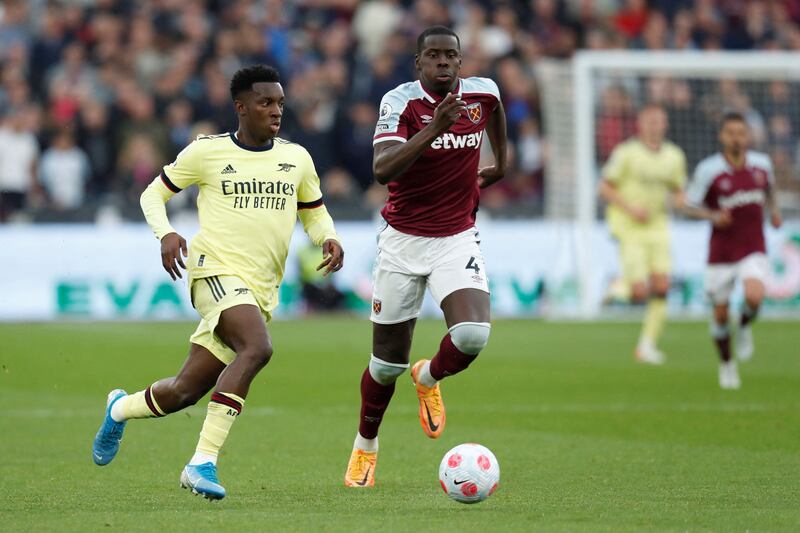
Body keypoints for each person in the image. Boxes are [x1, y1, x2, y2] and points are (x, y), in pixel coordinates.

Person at [91, 65, 344, 500]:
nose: (276, 111)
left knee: (184, 391)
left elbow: (313, 211)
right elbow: (153, 193)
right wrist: (167, 233)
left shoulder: (296, 158)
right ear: (240, 107)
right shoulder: (205, 152)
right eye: (265, 102)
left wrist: (329, 237)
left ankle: (119, 407)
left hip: (260, 290)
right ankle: (201, 462)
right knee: (258, 347)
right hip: (213, 271)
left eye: (280, 103)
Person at [343, 26, 507, 488]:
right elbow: (381, 169)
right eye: (432, 55)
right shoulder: (399, 103)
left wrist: (502, 164)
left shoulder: (483, 93)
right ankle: (365, 446)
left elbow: (495, 119)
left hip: (457, 237)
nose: (442, 62)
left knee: (473, 333)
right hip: (401, 241)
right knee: (385, 365)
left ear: (460, 60)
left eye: (450, 55)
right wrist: (435, 128)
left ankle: (429, 376)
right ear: (418, 63)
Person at [683, 112, 782, 389]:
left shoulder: (762, 165)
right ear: (722, 136)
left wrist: (773, 212)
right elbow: (688, 206)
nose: (736, 137)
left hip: (753, 246)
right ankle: (727, 364)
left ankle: (746, 326)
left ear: (748, 136)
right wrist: (713, 217)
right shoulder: (709, 169)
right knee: (720, 315)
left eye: (741, 132)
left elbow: (770, 191)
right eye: (731, 132)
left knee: (754, 296)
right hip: (722, 252)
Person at [599, 104, 687, 365]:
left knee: (662, 287)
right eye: (649, 121)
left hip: (658, 225)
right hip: (629, 226)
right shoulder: (627, 153)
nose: (654, 125)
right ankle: (619, 287)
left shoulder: (674, 156)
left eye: (659, 121)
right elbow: (605, 187)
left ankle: (647, 346)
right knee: (639, 293)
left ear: (665, 125)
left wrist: (681, 201)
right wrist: (630, 208)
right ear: (640, 124)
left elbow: (678, 190)